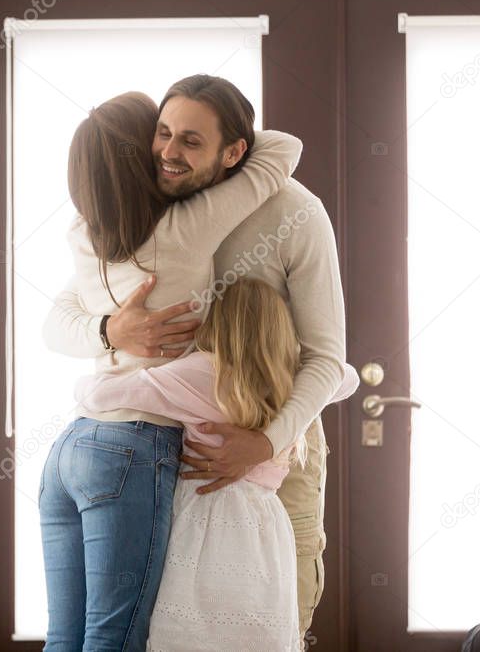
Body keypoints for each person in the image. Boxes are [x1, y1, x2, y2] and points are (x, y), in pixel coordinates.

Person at [44, 75, 347, 641]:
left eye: (189, 141)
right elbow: (60, 319)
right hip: (167, 452)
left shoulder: (294, 212)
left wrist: (266, 440)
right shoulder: (150, 208)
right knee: (170, 627)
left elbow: (327, 359)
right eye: (162, 134)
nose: (167, 153)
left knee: (274, 623)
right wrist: (113, 330)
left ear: (234, 152)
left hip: (272, 451)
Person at [74, 277, 358, 651]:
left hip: (201, 517)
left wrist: (109, 355)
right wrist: (292, 353)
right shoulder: (296, 383)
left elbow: (97, 394)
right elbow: (347, 378)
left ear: (215, 321)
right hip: (266, 527)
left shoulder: (203, 372)